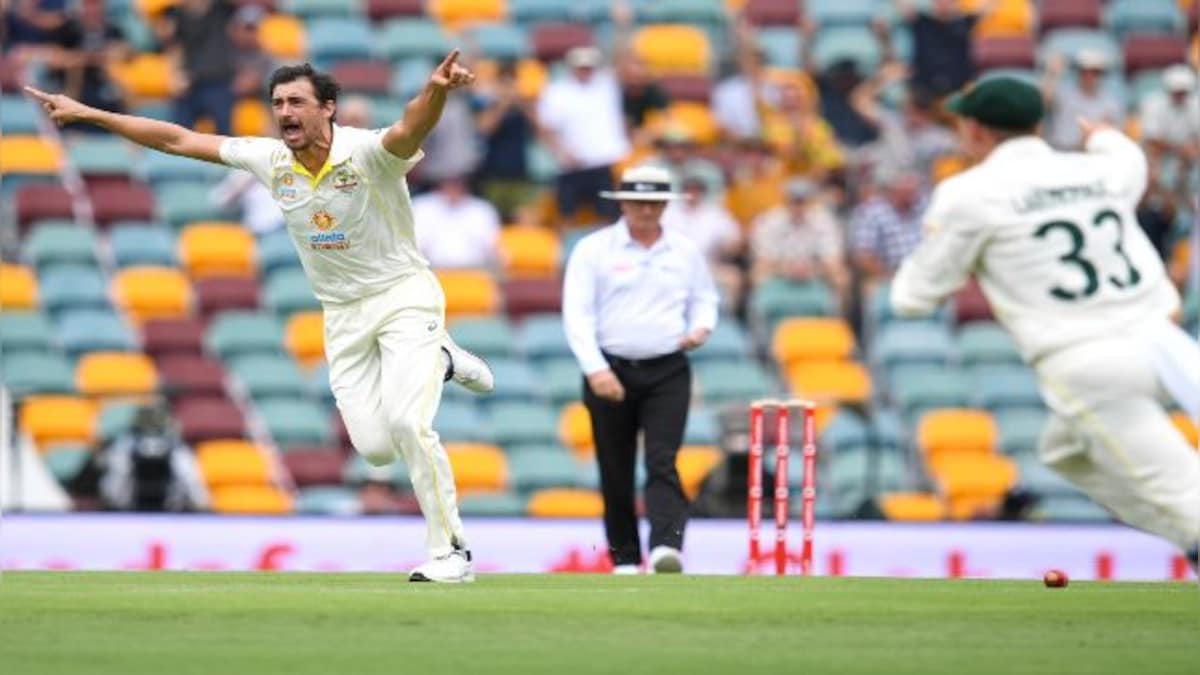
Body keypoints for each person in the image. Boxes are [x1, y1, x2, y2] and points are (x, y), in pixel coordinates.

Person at [26, 51, 495, 583]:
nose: (285, 112)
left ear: (329, 109)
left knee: (411, 423)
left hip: (403, 297)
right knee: (378, 450)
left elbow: (410, 130)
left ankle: (451, 552)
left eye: (297, 101)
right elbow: (177, 139)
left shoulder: (366, 153)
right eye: (277, 104)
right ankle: (442, 359)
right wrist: (90, 114)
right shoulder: (271, 160)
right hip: (342, 315)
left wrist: (436, 90)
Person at [890, 76, 1200, 569]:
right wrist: (1101, 134)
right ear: (1037, 124)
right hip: (1164, 339)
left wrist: (948, 249)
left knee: (1185, 490)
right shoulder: (1098, 170)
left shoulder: (969, 194)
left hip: (1088, 360)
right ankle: (1191, 542)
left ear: (974, 130)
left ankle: (1194, 536)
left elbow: (911, 297)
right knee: (1064, 452)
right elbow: (1131, 160)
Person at [562, 165, 719, 575]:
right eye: (638, 202)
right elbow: (577, 315)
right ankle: (626, 557)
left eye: (653, 203)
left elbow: (705, 298)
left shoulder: (684, 251)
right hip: (610, 367)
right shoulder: (593, 249)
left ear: (665, 204)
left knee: (663, 460)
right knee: (615, 467)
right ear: (623, 203)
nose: (646, 211)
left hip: (667, 368)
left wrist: (701, 327)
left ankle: (667, 545)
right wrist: (597, 370)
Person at [535, 45, 630, 224]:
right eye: (581, 67)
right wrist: (561, 152)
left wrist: (621, 27)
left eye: (589, 67)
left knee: (609, 217)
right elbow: (545, 127)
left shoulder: (606, 85)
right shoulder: (557, 91)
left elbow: (623, 61)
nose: (586, 71)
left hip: (603, 162)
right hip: (571, 165)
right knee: (566, 217)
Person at [96, 403, 208, 512]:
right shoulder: (176, 446)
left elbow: (113, 487)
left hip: (133, 512)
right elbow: (192, 483)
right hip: (162, 512)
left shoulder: (124, 444)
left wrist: (113, 506)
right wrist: (201, 505)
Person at [1041, 49, 1124, 150]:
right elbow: (1042, 103)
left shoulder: (1111, 103)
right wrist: (1052, 74)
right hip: (1058, 149)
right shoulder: (1063, 93)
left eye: (1094, 72)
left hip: (1090, 155)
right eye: (1084, 71)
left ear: (1101, 74)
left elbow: (1111, 133)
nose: (1089, 76)